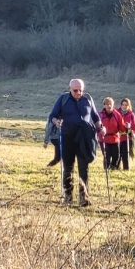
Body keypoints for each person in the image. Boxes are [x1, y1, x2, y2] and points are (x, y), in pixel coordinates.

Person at [46, 79, 104, 207]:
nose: (78, 93)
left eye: (81, 90)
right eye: (75, 90)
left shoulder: (87, 99)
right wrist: (57, 122)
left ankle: (84, 198)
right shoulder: (63, 99)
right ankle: (68, 197)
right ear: (70, 89)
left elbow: (95, 116)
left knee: (84, 168)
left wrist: (101, 127)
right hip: (68, 137)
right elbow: (53, 115)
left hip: (84, 137)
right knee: (68, 167)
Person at [98, 98, 125, 170]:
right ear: (104, 105)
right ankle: (106, 170)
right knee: (106, 156)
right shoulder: (100, 115)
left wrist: (125, 128)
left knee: (116, 156)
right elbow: (96, 126)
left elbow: (122, 127)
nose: (109, 106)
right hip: (104, 139)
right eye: (107, 104)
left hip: (114, 139)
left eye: (110, 104)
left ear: (113, 105)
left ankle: (113, 169)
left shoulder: (117, 115)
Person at [119, 98, 135, 169]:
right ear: (120, 105)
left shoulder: (131, 115)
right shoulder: (117, 113)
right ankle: (116, 168)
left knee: (125, 155)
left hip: (127, 138)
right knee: (118, 155)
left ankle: (126, 169)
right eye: (123, 105)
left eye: (126, 105)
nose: (124, 106)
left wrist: (134, 134)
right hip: (118, 137)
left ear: (129, 106)